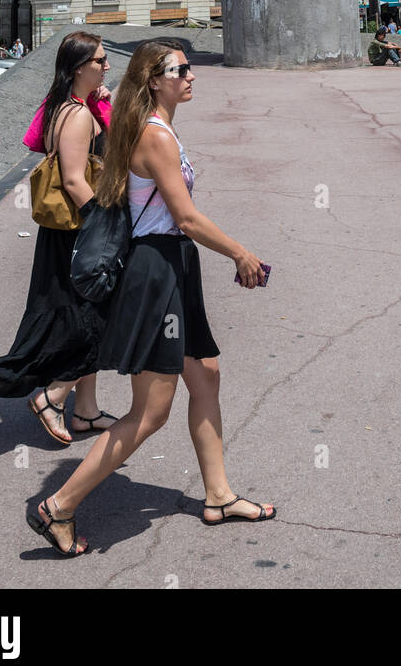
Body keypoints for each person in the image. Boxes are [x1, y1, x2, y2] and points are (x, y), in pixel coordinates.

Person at [26, 39, 274, 556]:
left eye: (188, 68)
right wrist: (240, 254)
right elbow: (183, 217)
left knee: (206, 375)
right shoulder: (154, 136)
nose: (190, 75)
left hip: (175, 265)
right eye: (179, 69)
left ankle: (219, 496)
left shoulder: (154, 128)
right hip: (156, 272)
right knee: (151, 412)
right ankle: (59, 506)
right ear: (153, 80)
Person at [0, 31, 117, 444]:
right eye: (100, 61)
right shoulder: (76, 116)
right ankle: (52, 398)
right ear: (78, 68)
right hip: (78, 228)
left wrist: (101, 101)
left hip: (62, 230)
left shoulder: (66, 106)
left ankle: (86, 411)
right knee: (90, 318)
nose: (106, 66)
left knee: (81, 312)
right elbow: (74, 179)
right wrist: (102, 225)